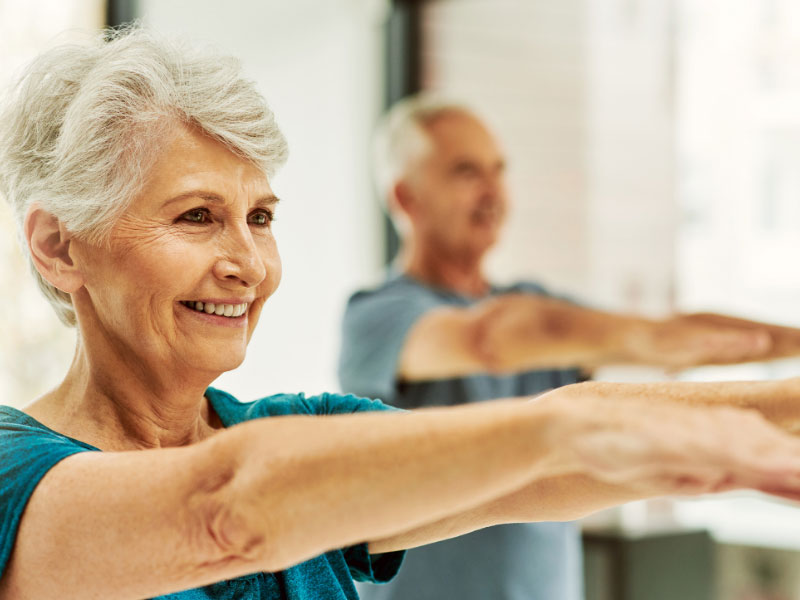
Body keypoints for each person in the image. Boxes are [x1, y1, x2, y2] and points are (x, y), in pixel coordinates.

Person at [2, 28, 800, 600]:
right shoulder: (16, 472)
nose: (248, 263)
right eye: (196, 217)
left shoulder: (286, 430)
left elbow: (554, 454)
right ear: (59, 247)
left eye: (262, 218)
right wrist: (565, 432)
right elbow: (221, 512)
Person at [338, 95, 800, 600]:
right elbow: (489, 340)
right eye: (467, 172)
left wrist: (672, 340)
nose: (493, 191)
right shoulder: (377, 316)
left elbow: (670, 334)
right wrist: (644, 339)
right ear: (407, 199)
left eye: (499, 171)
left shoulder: (536, 305)